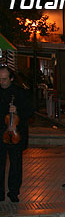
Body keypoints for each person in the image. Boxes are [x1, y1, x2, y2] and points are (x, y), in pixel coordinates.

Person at [0, 66, 34, 202]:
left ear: (11, 78)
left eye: (4, 79)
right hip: (0, 132)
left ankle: (13, 192)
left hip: (15, 133)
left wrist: (18, 110)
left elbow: (30, 112)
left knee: (15, 164)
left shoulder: (20, 92)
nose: (1, 82)